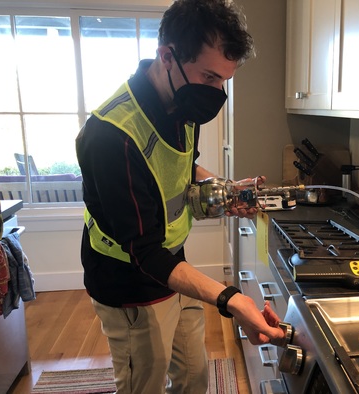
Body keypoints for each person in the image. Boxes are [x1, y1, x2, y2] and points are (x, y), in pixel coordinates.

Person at [75, 1, 284, 393]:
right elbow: (145, 251)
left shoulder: (181, 105)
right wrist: (234, 302)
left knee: (192, 375)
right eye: (208, 76)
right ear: (167, 56)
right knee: (144, 384)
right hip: (129, 283)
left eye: (223, 81)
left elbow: (181, 167)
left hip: (174, 265)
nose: (216, 92)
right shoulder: (111, 137)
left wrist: (224, 188)